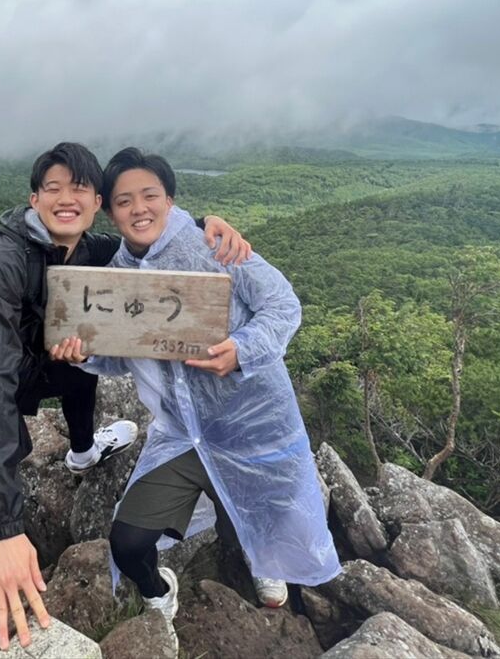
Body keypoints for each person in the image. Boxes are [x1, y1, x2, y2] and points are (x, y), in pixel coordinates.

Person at [0, 143, 251, 658]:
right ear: (34, 199)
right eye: (53, 188)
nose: (66, 198)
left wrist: (203, 225)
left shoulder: (85, 250)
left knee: (80, 347)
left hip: (3, 378)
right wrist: (3, 530)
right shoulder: (1, 262)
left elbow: (143, 234)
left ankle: (83, 452)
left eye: (79, 188)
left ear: (97, 203)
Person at [53, 146, 340, 646]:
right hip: (183, 436)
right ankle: (158, 591)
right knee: (128, 542)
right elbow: (125, 357)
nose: (139, 209)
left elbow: (282, 304)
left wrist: (242, 349)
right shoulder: (116, 277)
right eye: (124, 201)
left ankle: (263, 562)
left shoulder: (215, 246)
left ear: (170, 199)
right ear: (110, 212)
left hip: (251, 427)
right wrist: (84, 356)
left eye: (150, 196)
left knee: (254, 520)